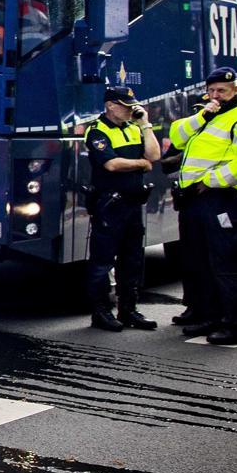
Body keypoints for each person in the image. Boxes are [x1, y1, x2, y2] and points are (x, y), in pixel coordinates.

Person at [169, 68, 237, 347]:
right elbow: (176, 137)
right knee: (198, 261)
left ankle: (233, 326)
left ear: (236, 90)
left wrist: (209, 182)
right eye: (211, 90)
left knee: (227, 265)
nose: (215, 96)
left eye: (222, 91)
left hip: (219, 198)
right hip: (193, 200)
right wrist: (203, 114)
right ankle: (207, 315)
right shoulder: (208, 115)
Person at [84, 84, 161, 332]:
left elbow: (155, 155)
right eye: (126, 107)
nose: (131, 111)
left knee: (133, 259)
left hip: (132, 203)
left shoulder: (133, 128)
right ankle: (101, 312)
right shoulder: (97, 131)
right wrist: (141, 164)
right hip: (109, 204)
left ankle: (129, 310)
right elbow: (112, 165)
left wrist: (145, 125)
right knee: (103, 261)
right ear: (110, 106)